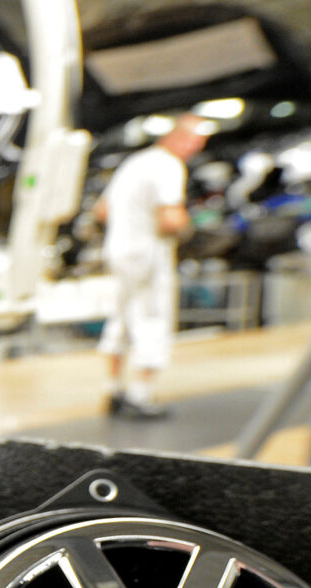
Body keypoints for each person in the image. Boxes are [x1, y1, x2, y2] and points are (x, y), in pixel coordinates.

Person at [95, 113, 210, 420]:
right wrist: (191, 229)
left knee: (121, 317)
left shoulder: (134, 163)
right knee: (152, 317)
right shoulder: (169, 166)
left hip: (118, 250)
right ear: (177, 137)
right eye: (194, 141)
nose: (195, 148)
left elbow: (102, 210)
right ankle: (140, 395)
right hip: (147, 253)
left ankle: (112, 389)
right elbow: (170, 218)